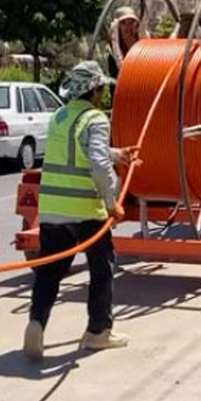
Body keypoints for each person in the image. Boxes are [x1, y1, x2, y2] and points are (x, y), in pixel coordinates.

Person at [24, 61, 138, 361]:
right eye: (102, 88)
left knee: (49, 271)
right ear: (95, 90)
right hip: (86, 209)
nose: (104, 94)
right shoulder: (96, 118)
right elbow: (98, 164)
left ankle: (36, 322)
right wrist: (112, 203)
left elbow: (78, 151)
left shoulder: (59, 116)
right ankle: (99, 332)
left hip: (51, 209)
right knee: (102, 269)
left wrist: (119, 154)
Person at [106, 6, 142, 77]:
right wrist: (114, 34)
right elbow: (120, 64)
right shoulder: (115, 44)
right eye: (123, 23)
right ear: (117, 26)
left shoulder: (139, 36)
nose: (127, 26)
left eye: (130, 22)